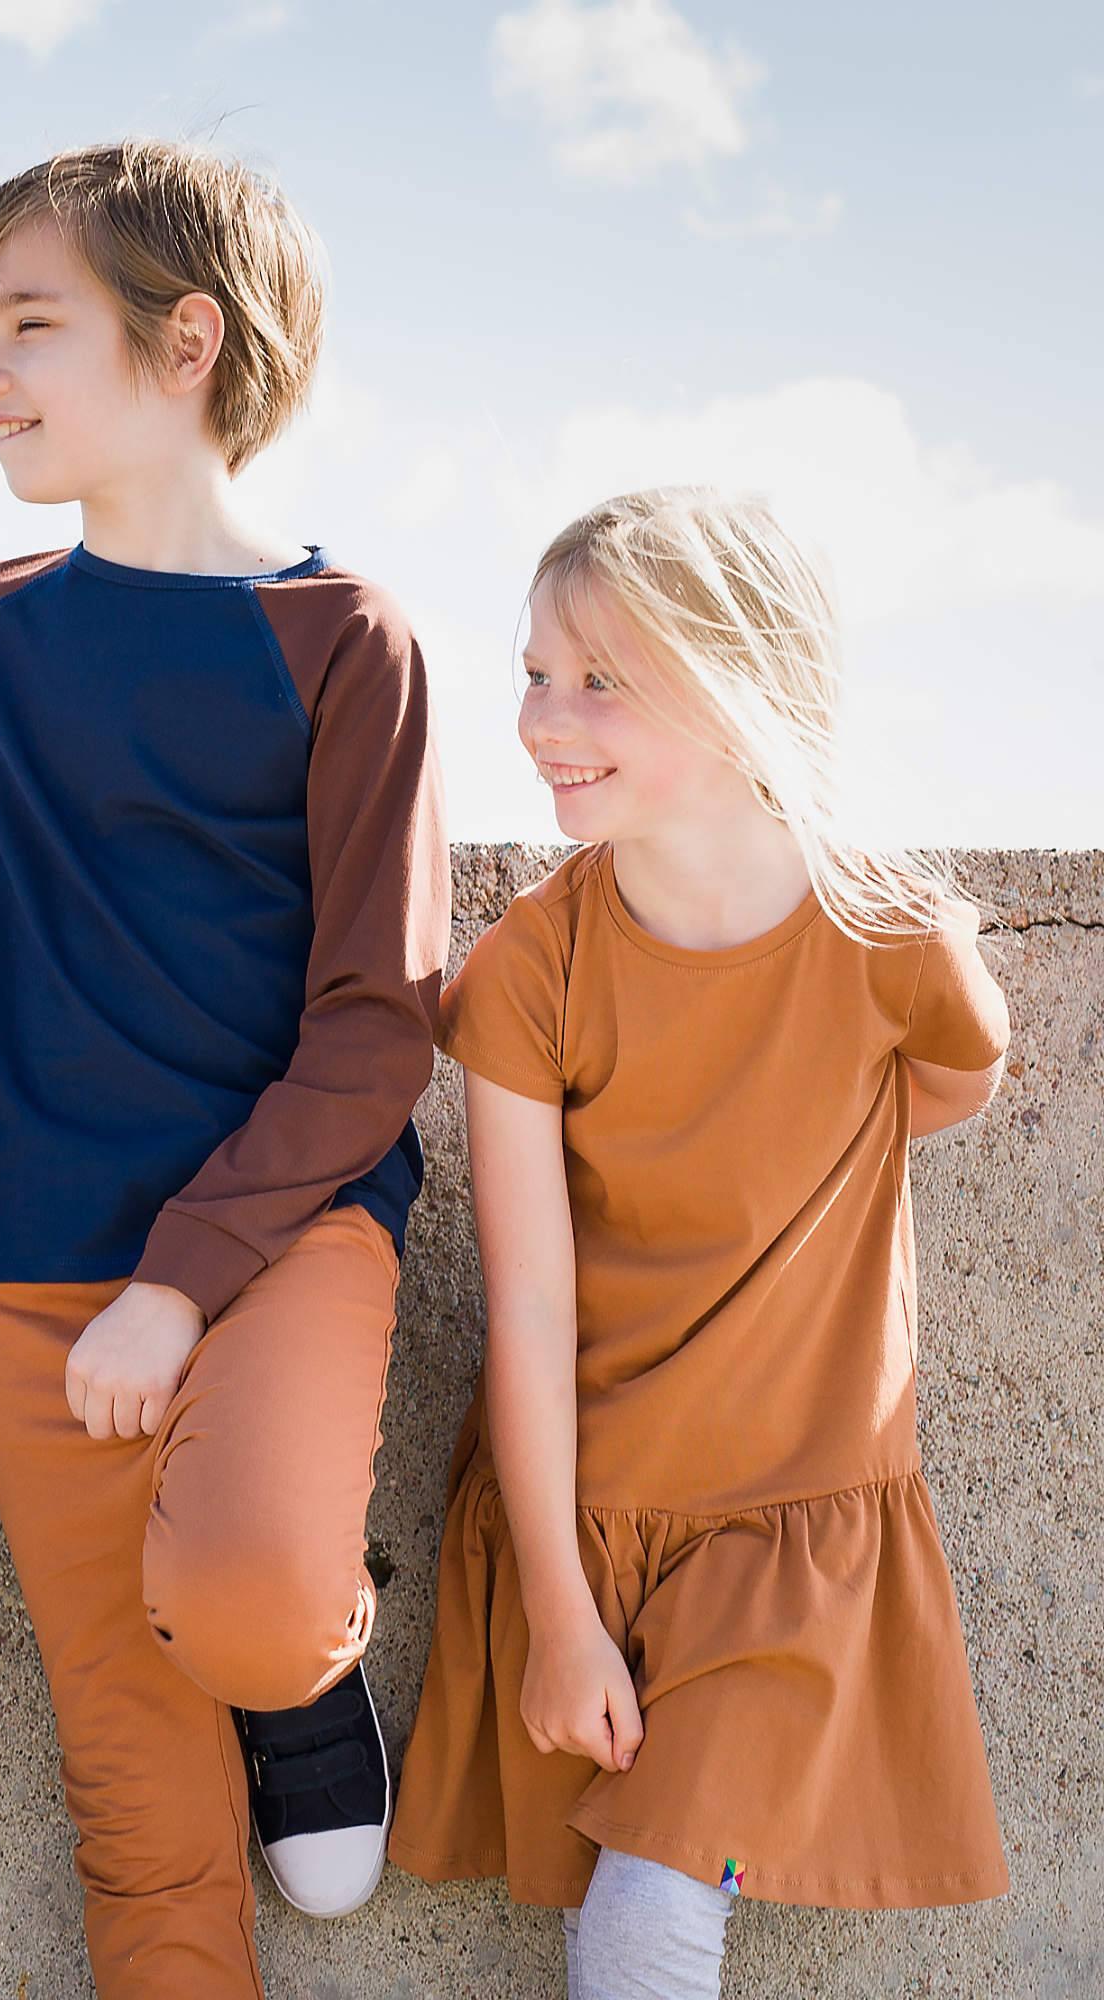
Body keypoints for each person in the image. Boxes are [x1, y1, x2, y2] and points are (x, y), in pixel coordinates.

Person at [0, 140, 448, 1996]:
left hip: (284, 1234)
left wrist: (178, 1280)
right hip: (27, 1278)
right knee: (134, 1794)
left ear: (187, 342)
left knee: (238, 1608)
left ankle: (306, 1675)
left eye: (28, 325)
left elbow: (382, 1020)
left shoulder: (346, 639)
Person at [388, 488, 1010, 1998]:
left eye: (603, 678)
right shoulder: (532, 965)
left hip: (796, 1551)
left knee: (669, 1896)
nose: (547, 717)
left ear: (744, 697)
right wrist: (557, 1616)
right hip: (589, 1530)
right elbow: (524, 1310)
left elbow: (948, 1089)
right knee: (642, 1897)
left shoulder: (896, 943)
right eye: (535, 672)